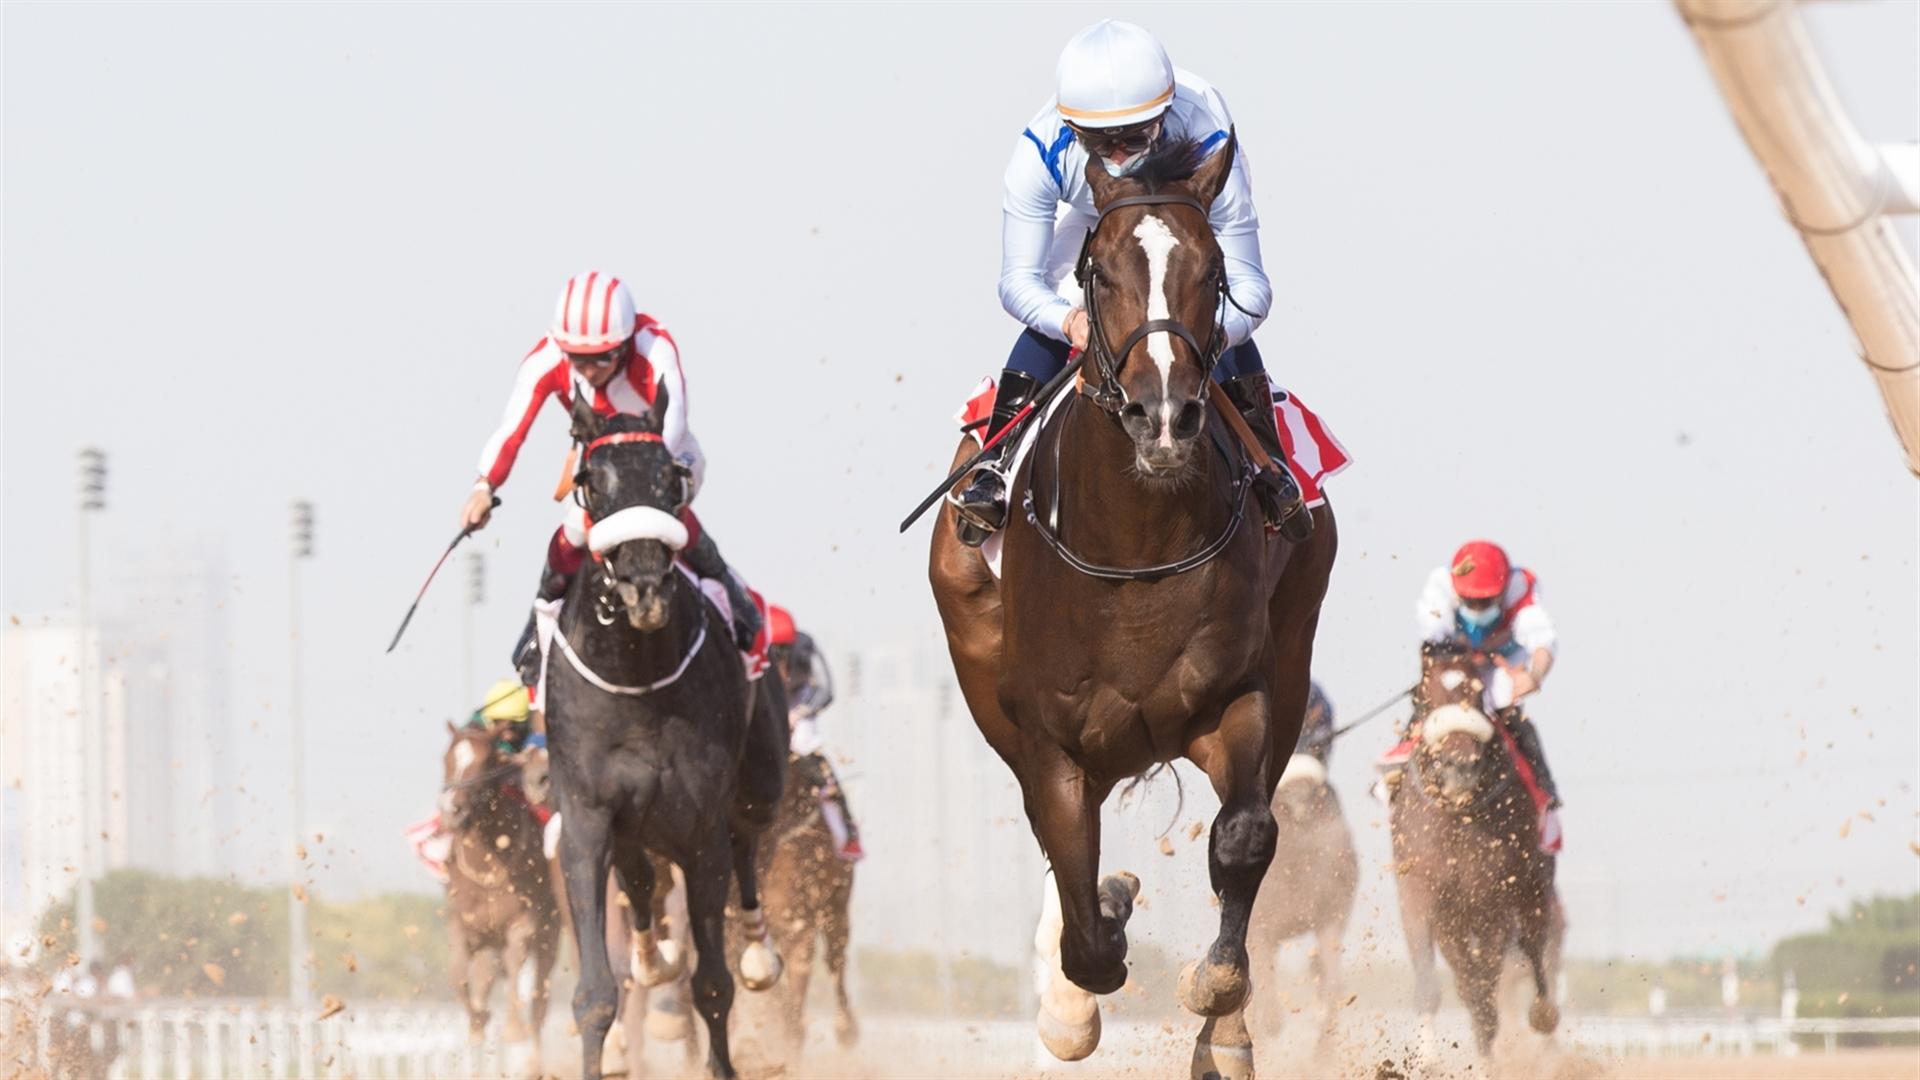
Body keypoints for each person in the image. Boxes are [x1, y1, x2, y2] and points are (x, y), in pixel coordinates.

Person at [951, 18, 1311, 547]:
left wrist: (1204, 334)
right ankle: (996, 467)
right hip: (1091, 218)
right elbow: (1018, 281)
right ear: (1071, 128)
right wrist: (1068, 320)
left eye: (1133, 137)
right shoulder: (1040, 149)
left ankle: (1270, 464)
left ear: (1164, 116)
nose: (1117, 156)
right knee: (1076, 294)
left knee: (1202, 299)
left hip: (1183, 209)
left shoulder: (1207, 132)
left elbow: (1252, 285)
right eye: (1098, 141)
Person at [457, 272, 761, 705]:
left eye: (600, 359)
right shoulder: (546, 359)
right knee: (574, 533)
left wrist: (648, 483)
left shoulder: (654, 345)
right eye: (577, 359)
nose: (586, 370)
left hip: (667, 456)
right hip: (602, 463)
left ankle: (728, 588)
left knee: (661, 514)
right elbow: (513, 428)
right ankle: (539, 625)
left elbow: (674, 418)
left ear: (623, 343)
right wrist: (485, 485)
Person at [1380, 540, 1562, 809]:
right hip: (1455, 661)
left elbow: (1543, 641)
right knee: (1430, 700)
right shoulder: (1439, 586)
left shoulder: (1520, 588)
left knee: (1507, 709)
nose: (1477, 608)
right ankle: (1398, 767)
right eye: (1470, 601)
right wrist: (1462, 661)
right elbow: (1433, 643)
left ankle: (1543, 786)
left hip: (1503, 662)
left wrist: (1534, 676)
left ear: (1502, 592)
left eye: (1485, 601)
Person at [766, 605, 863, 862]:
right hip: (766, 703)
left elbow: (826, 689)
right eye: (774, 654)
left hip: (800, 701)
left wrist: (798, 714)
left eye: (783, 652)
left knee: (805, 743)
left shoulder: (806, 647)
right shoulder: (751, 649)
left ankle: (847, 831)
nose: (780, 660)